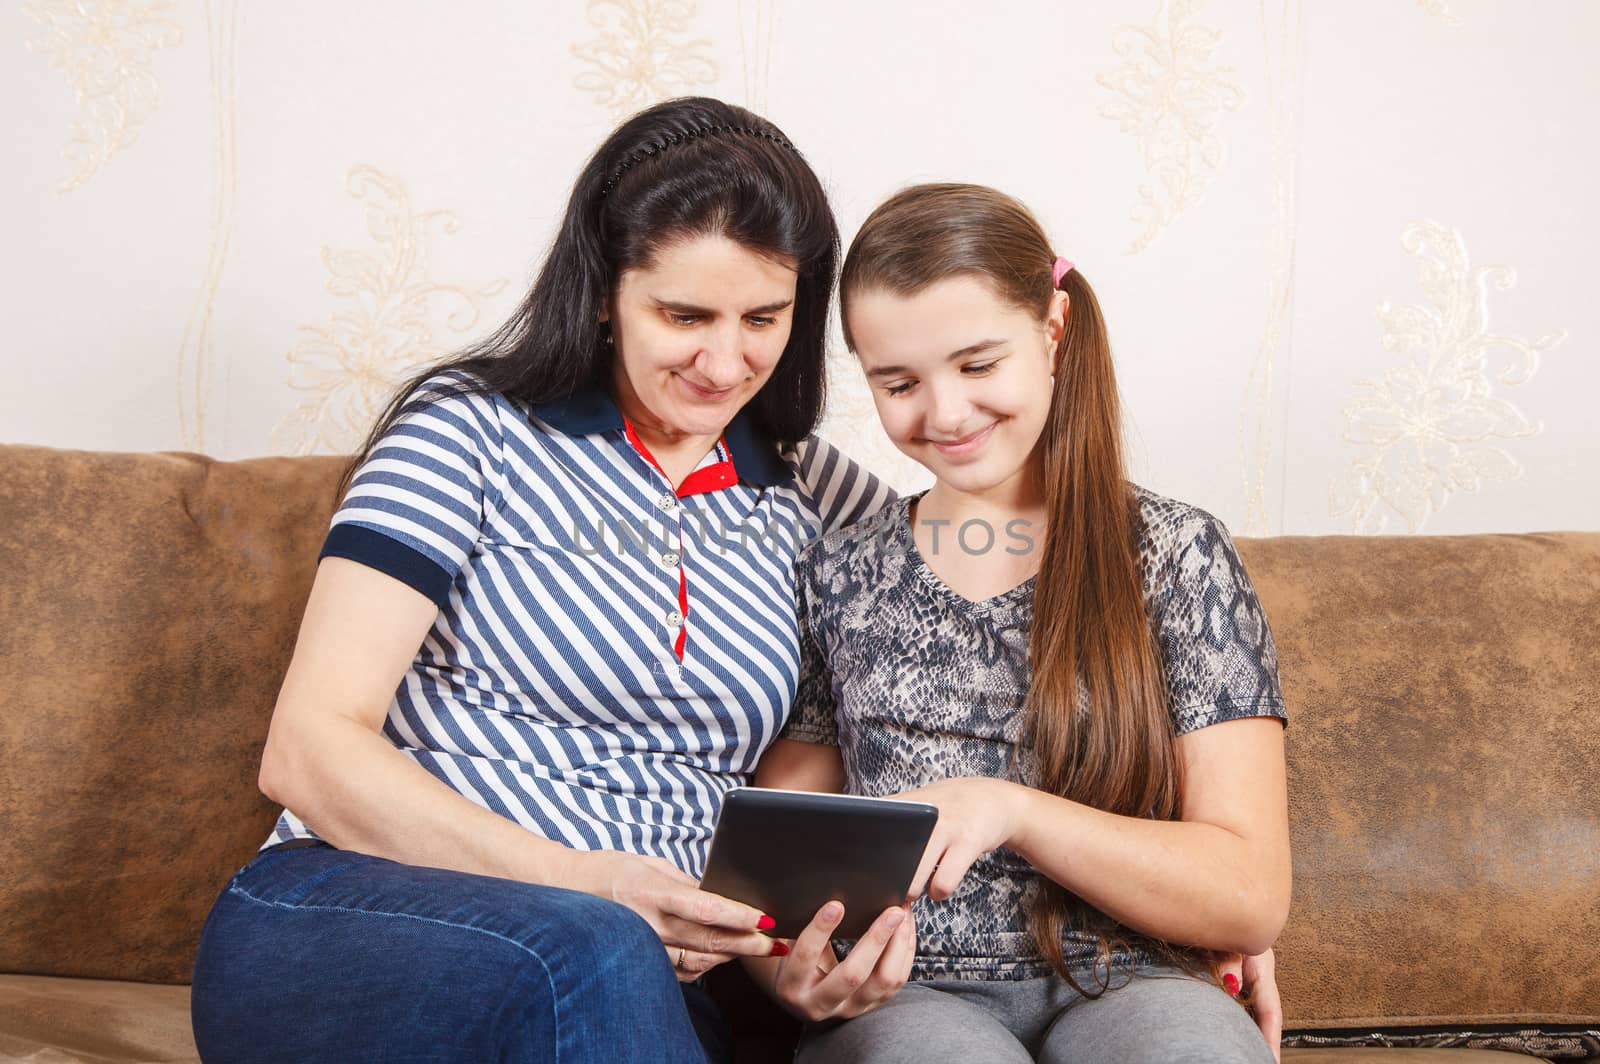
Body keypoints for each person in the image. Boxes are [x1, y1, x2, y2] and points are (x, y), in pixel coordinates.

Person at [188, 96, 894, 1063]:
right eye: (684, 315)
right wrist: (589, 881)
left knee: (627, 973)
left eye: (763, 319)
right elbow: (306, 750)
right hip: (349, 914)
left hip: (640, 972)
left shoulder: (817, 494)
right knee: (593, 947)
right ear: (606, 290)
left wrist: (794, 956)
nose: (726, 362)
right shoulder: (467, 430)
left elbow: (992, 572)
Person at [744, 183, 1291, 1064]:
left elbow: (1249, 893)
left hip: (1135, 978)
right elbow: (779, 868)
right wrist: (789, 973)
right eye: (898, 383)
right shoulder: (841, 570)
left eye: (977, 364)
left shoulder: (1178, 555)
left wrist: (1009, 810)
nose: (946, 413)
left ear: (1053, 332)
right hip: (910, 991)